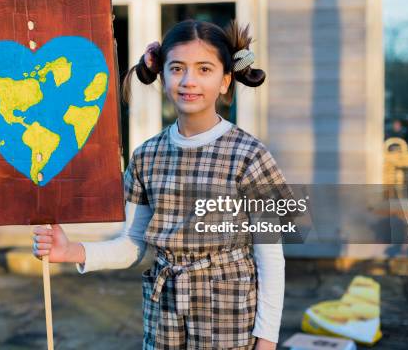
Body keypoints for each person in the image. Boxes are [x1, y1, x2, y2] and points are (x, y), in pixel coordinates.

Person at [32, 20, 288, 350]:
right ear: (163, 76)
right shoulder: (146, 156)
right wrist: (70, 251)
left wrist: (266, 340)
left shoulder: (251, 156)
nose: (189, 81)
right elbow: (132, 246)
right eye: (177, 68)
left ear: (226, 81)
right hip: (163, 313)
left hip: (228, 316)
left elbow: (270, 257)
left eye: (204, 69)